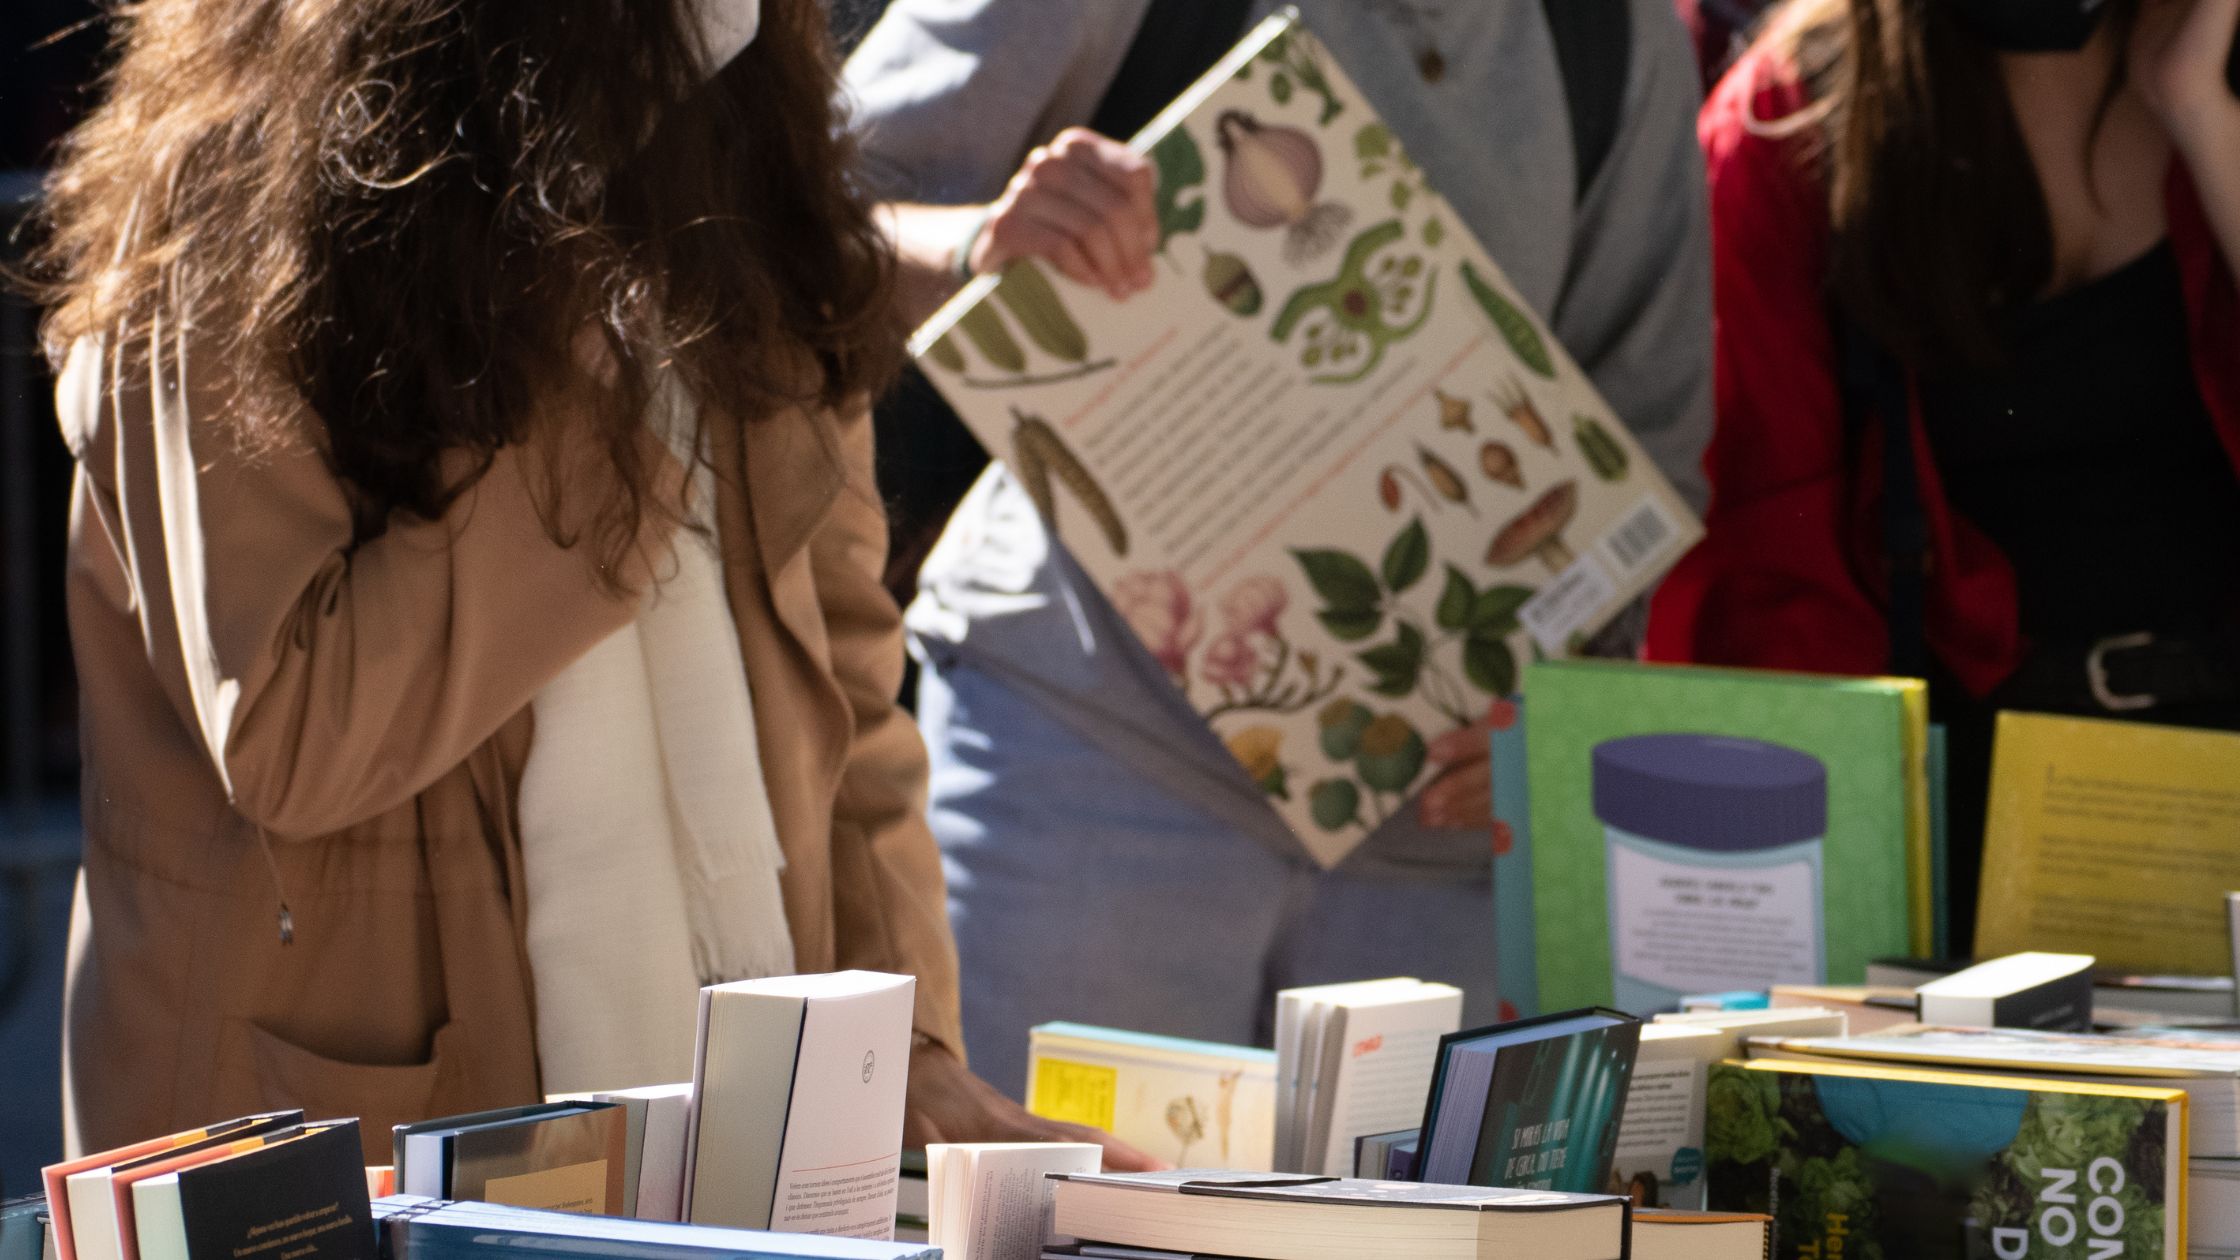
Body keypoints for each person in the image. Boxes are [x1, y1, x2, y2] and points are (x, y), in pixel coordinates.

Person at [31, 0, 1142, 1164]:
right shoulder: (229, 199)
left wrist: (902, 1049)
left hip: (725, 1156)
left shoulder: (737, 164)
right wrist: (589, 403)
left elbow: (845, 702)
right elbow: (292, 734)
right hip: (347, 1147)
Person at [843, 0, 1716, 1097]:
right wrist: (982, 245)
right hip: (1084, 771)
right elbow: (789, 224)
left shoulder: (1615, 35)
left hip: (1430, 840)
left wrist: (1551, 697)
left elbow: (1645, 438)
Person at [1646, 0, 2240, 948]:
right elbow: (1762, 579)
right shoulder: (1791, 115)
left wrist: (2206, 119)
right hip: (1956, 829)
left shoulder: (2214, 62)